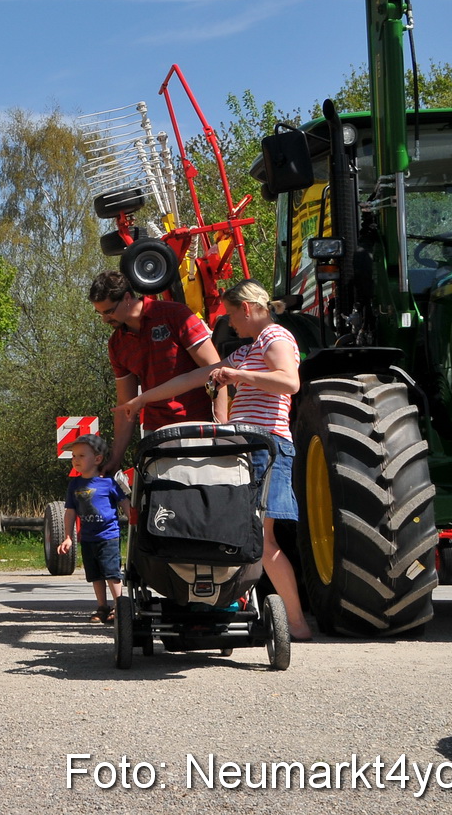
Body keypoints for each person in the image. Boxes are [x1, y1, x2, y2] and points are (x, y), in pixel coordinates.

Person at [114, 279, 313, 641]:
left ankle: (297, 623)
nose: (230, 324)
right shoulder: (246, 349)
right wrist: (143, 400)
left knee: (263, 543)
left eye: (232, 315)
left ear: (249, 308)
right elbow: (192, 377)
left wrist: (238, 376)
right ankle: (227, 605)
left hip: (267, 447)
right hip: (244, 449)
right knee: (234, 536)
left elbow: (289, 382)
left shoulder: (275, 338)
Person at [91, 269, 221, 475]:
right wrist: (115, 458)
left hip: (197, 427)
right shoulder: (117, 344)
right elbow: (126, 407)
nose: (105, 320)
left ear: (127, 298)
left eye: (109, 311)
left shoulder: (175, 315)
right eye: (100, 313)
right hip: (156, 434)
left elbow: (217, 371)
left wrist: (220, 429)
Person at [58, 434, 128, 622]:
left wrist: (134, 522)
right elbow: (70, 512)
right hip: (88, 538)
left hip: (108, 536)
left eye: (81, 455)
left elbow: (125, 503)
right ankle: (102, 607)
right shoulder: (75, 485)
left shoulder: (109, 483)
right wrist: (68, 537)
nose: (76, 460)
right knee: (95, 575)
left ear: (97, 459)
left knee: (112, 573)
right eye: (73, 456)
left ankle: (119, 607)